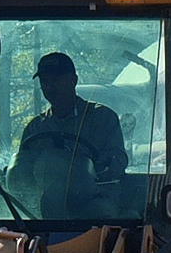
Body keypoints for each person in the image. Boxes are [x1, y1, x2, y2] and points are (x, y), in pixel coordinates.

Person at [9, 52, 129, 217]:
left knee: (99, 214)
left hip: (96, 199)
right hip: (46, 204)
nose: (50, 87)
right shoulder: (35, 128)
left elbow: (118, 162)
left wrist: (97, 165)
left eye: (56, 80)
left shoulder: (101, 118)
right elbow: (23, 173)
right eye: (45, 81)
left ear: (73, 81)